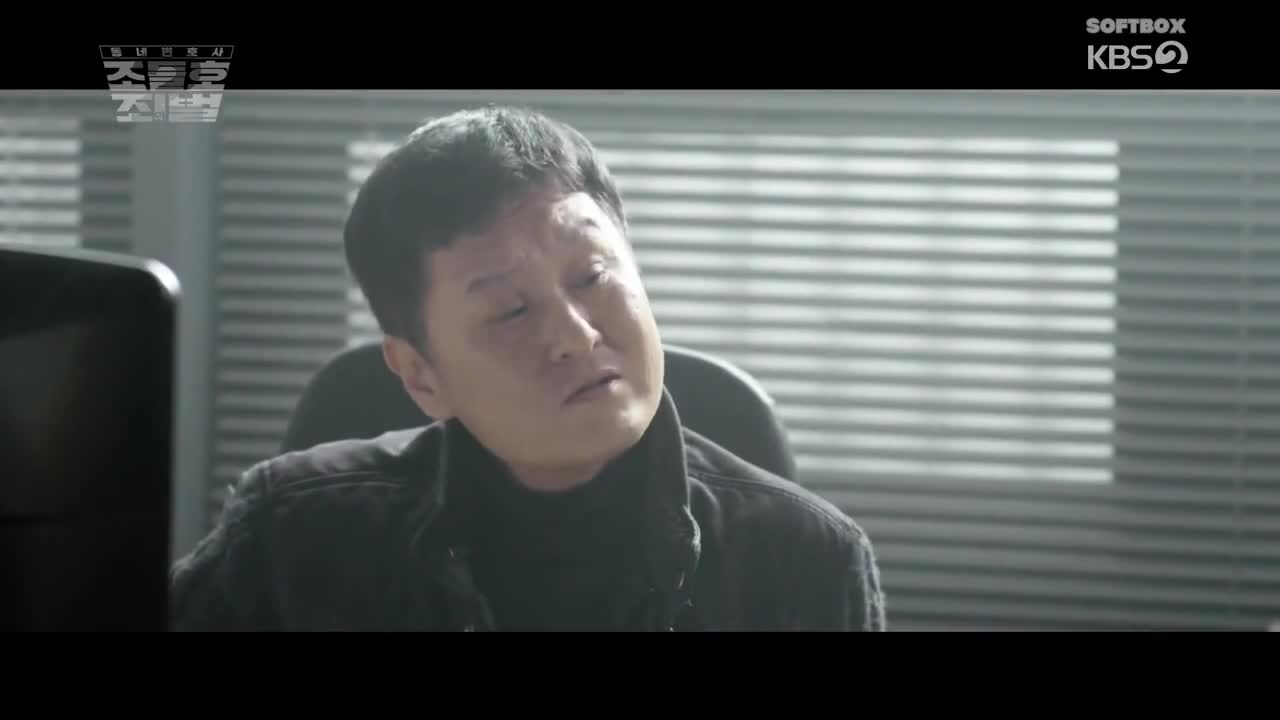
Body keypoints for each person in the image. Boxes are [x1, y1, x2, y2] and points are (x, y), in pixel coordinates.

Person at [168, 105, 886, 631]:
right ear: (420, 375)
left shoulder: (804, 558)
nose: (575, 336)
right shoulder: (292, 534)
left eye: (593, 277)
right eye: (511, 312)